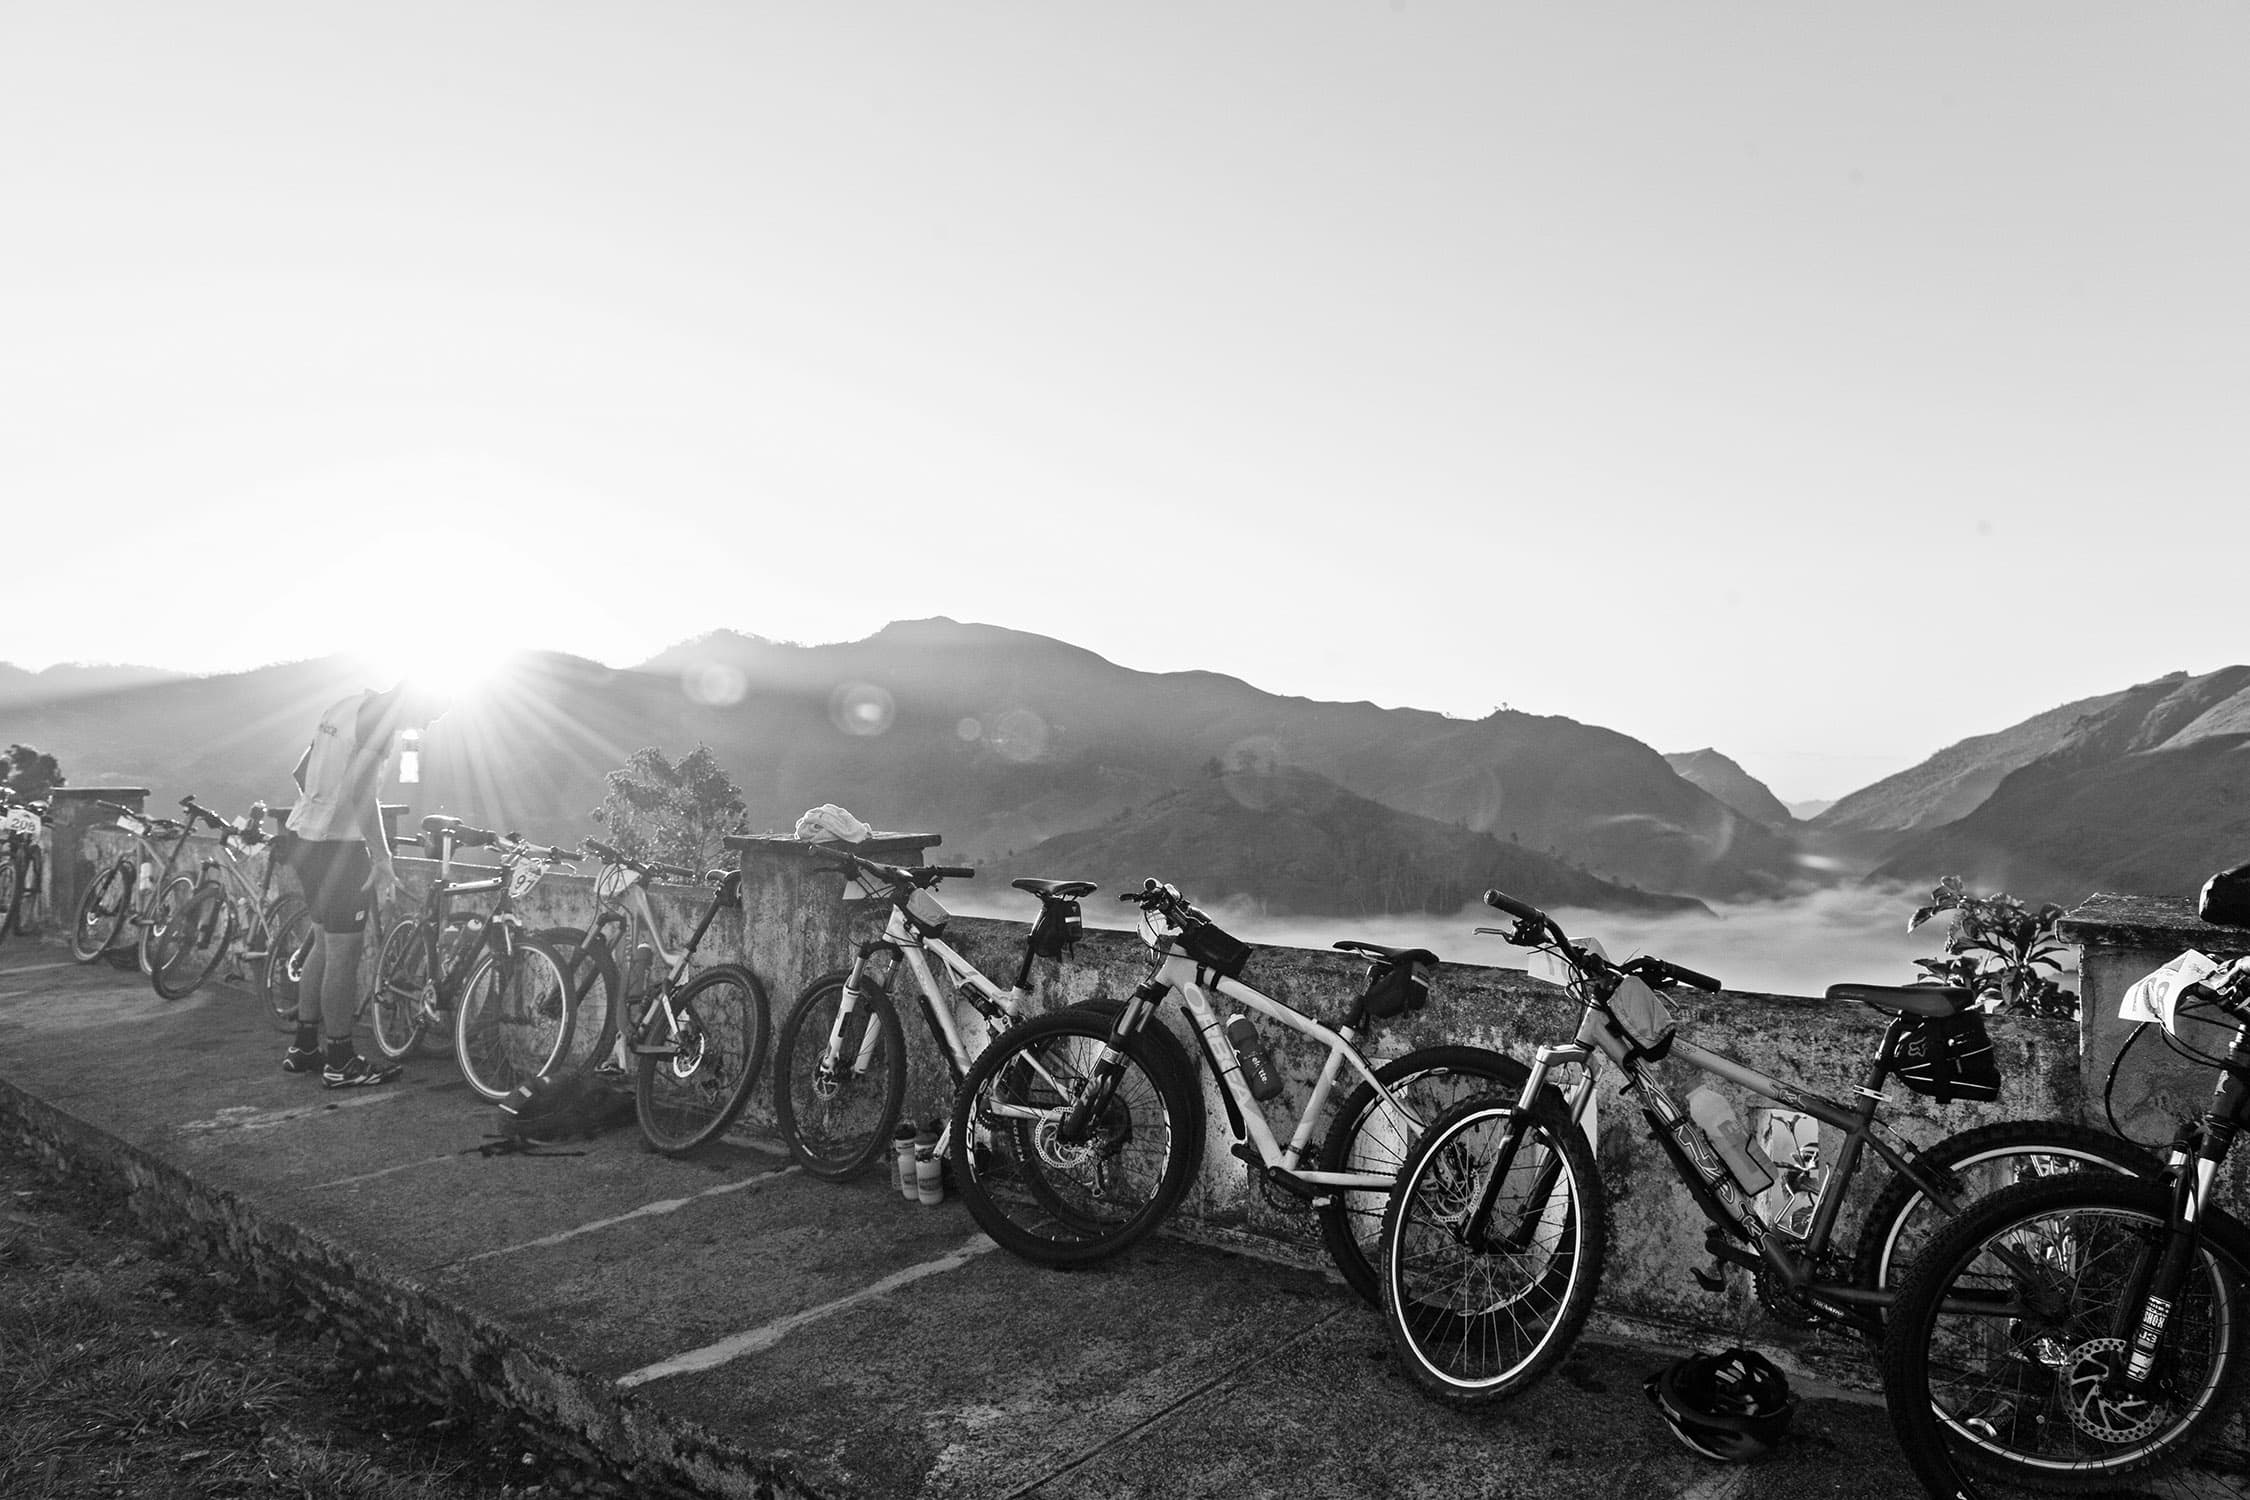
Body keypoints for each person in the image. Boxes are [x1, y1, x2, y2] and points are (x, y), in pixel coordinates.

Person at [281, 680, 450, 1087]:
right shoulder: (379, 722)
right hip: (338, 849)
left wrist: (323, 804)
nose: (425, 726)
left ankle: (304, 1047)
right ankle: (340, 1061)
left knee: (323, 945)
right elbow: (360, 791)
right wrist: (381, 856)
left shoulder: (345, 706)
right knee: (344, 954)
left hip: (304, 838)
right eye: (428, 715)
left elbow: (302, 771)